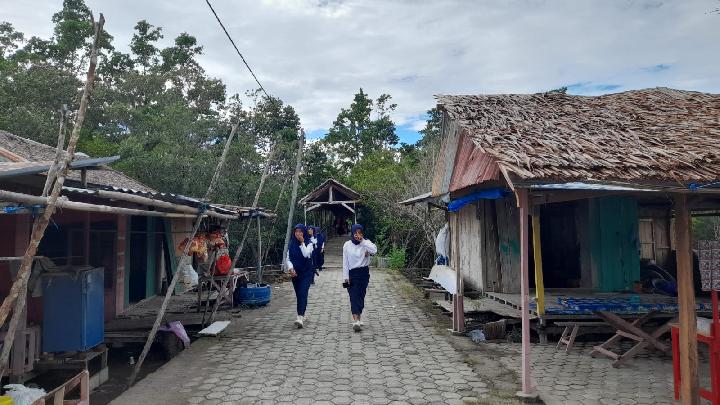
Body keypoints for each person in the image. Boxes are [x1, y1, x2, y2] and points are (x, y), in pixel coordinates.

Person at [343, 224, 377, 331]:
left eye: (360, 233)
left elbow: (374, 251)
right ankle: (355, 320)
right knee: (353, 296)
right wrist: (345, 276)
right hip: (352, 274)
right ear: (352, 233)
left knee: (361, 296)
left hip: (363, 273)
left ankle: (359, 316)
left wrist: (362, 241)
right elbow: (345, 262)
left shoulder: (366, 243)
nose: (357, 235)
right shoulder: (347, 245)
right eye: (356, 233)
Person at [287, 223, 314, 328]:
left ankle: (300, 317)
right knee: (299, 294)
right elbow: (288, 258)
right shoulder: (292, 244)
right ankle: (301, 313)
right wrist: (290, 268)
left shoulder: (309, 243)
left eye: (300, 232)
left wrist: (302, 243)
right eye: (296, 232)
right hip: (295, 273)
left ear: (304, 232)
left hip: (306, 273)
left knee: (303, 292)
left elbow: (306, 254)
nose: (298, 234)